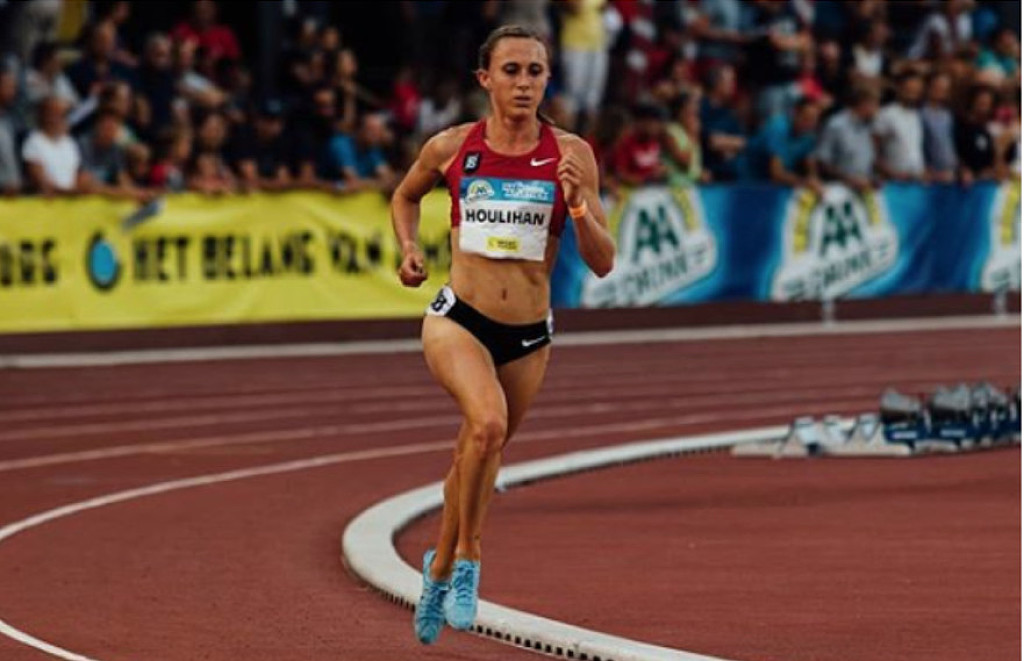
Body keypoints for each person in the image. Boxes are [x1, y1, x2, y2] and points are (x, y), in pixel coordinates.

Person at [390, 24, 614, 645]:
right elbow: (404, 197)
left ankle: (436, 569)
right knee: (486, 425)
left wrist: (576, 205)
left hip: (528, 337)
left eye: (535, 71)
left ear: (548, 80)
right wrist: (408, 249)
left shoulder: (572, 154)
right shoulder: (452, 147)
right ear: (485, 79)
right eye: (511, 71)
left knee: (477, 451)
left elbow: (603, 261)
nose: (523, 83)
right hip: (459, 319)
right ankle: (468, 557)